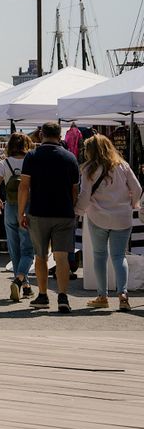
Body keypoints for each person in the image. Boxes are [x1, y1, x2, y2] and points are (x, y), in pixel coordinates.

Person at [19, 122, 80, 313]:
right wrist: (71, 205)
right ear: (60, 135)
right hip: (64, 213)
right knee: (61, 257)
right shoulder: (70, 157)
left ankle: (43, 295)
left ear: (41, 134)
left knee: (41, 256)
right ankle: (62, 296)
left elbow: (24, 186)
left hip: (39, 212)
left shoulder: (32, 156)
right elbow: (75, 190)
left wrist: (21, 211)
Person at [75, 134, 141, 311]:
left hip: (98, 217)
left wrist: (78, 212)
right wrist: (132, 204)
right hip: (122, 217)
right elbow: (137, 189)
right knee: (119, 256)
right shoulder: (122, 165)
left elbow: (84, 196)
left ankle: (102, 296)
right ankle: (123, 294)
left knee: (99, 256)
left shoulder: (88, 169)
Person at [0, 132, 35, 302]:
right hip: (29, 207)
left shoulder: (4, 163)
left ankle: (24, 286)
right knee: (28, 250)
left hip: (10, 206)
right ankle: (19, 281)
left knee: (14, 248)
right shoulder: (31, 160)